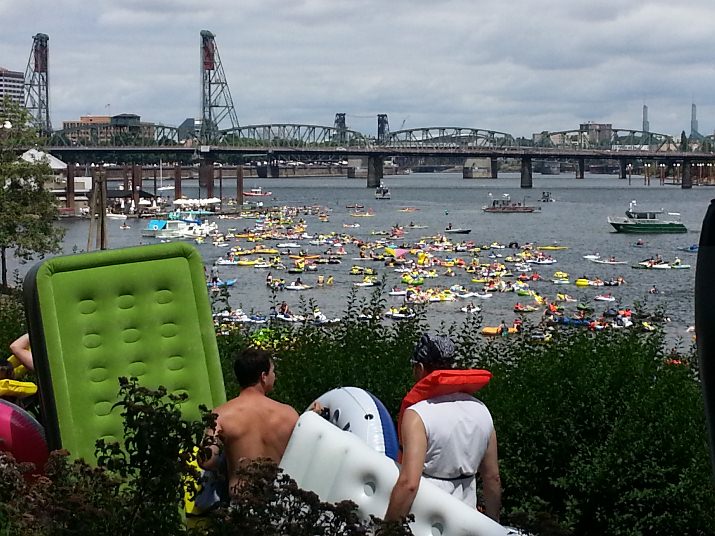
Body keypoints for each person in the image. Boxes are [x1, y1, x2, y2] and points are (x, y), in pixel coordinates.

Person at [384, 334, 501, 522]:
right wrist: (494, 525)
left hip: (426, 515)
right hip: (466, 513)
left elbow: (409, 484)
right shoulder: (481, 410)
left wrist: (387, 529)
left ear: (420, 368)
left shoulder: (417, 415)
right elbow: (492, 477)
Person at [199, 348, 299, 497]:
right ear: (263, 376)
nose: (275, 375)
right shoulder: (289, 414)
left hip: (242, 503)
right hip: (280, 501)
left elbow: (206, 461)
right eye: (273, 371)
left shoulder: (221, 415)